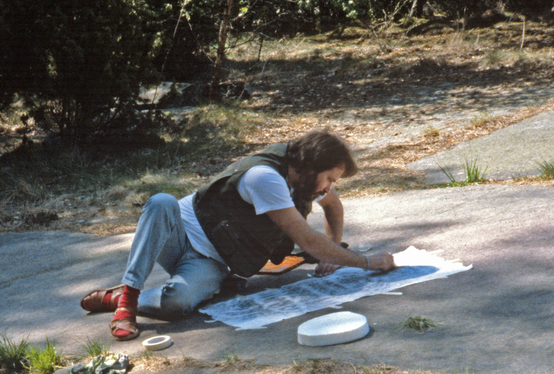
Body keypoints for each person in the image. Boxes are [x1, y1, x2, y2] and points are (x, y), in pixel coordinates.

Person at [81, 129, 396, 340]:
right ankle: (129, 299)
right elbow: (309, 241)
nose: (329, 187)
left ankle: (114, 297)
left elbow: (334, 209)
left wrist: (333, 254)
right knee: (161, 203)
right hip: (178, 232)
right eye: (329, 178)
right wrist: (367, 262)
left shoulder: (304, 181)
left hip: (211, 259)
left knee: (177, 306)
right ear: (311, 168)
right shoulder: (266, 178)